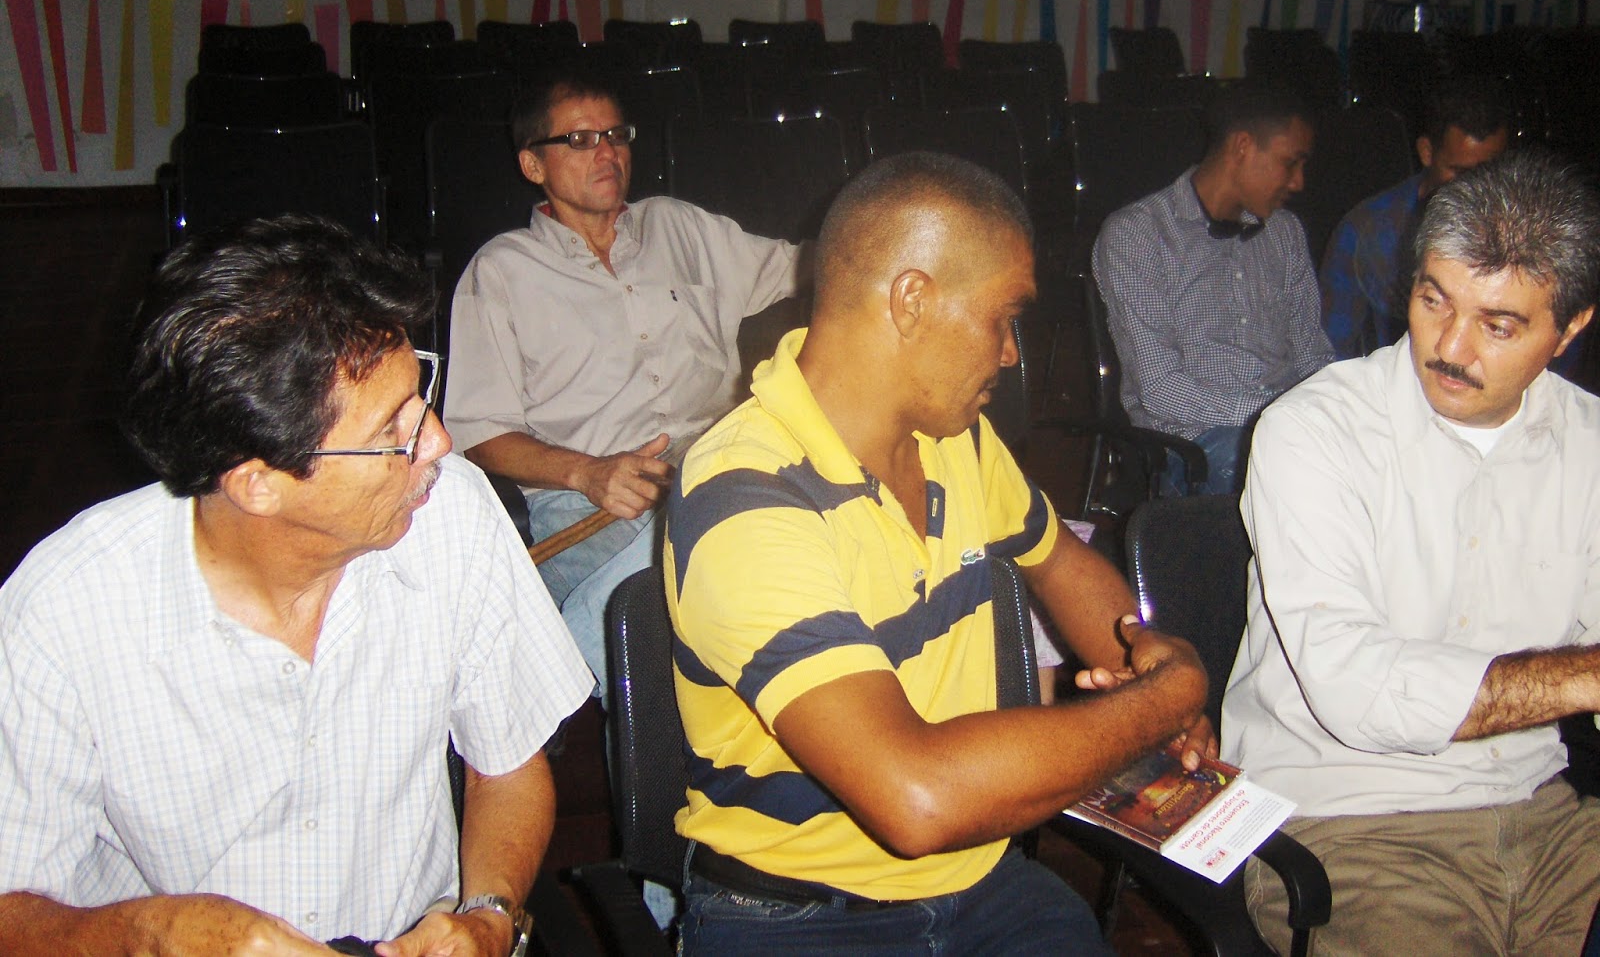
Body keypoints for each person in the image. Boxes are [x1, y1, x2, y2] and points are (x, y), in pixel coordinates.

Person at [0, 215, 593, 956]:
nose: (438, 441)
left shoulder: (451, 512)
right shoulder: (67, 611)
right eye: (392, 431)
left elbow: (505, 766)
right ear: (258, 483)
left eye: (421, 395)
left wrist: (487, 915)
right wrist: (150, 934)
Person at [665, 152, 1211, 954]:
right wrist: (1161, 703)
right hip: (800, 914)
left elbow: (1058, 560)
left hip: (979, 878)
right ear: (912, 299)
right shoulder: (745, 495)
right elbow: (915, 799)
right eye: (1003, 318)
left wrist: (1137, 654)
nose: (1012, 354)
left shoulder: (956, 440)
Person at [1222, 151, 1600, 956]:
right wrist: (1583, 677)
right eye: (1435, 300)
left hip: (1546, 813)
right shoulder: (1314, 431)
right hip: (1352, 825)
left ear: (1570, 329)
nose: (1450, 347)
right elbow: (1356, 690)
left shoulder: (1591, 444)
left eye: (1498, 326)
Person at [444, 67, 807, 690]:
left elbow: (802, 267)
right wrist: (589, 473)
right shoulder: (502, 272)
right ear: (533, 164)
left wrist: (884, 243)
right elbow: (478, 434)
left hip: (715, 470)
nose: (607, 152)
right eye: (580, 140)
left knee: (739, 551)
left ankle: (564, 671)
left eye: (616, 135)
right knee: (684, 586)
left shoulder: (680, 228)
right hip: (586, 501)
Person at [1092, 81, 1334, 494]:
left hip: (1292, 431)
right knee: (1289, 477)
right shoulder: (1138, 234)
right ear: (1242, 147)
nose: (1298, 182)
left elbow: (1313, 355)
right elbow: (1160, 388)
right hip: (1193, 443)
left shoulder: (1286, 233)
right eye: (1290, 163)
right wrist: (1275, 416)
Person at [1319, 77, 1510, 358]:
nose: (1476, 187)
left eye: (1489, 172)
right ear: (1427, 152)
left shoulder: (1530, 232)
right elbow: (1332, 347)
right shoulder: (1366, 232)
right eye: (1459, 172)